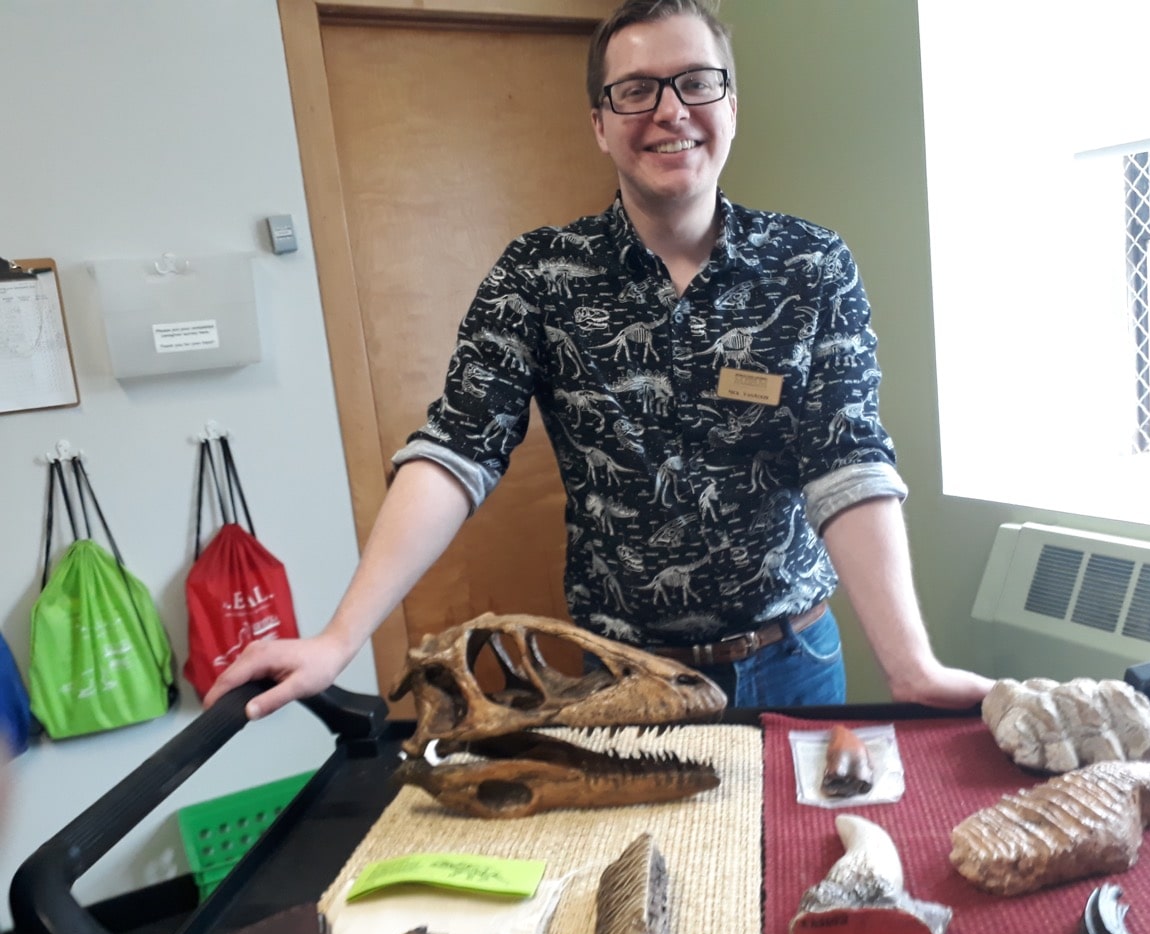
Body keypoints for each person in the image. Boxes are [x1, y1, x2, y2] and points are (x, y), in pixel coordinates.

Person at [205, 0, 993, 719]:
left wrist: (910, 664)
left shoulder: (812, 266)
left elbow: (846, 460)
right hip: (624, 677)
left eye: (696, 83)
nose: (670, 111)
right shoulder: (538, 276)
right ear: (599, 123)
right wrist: (340, 638)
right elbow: (454, 450)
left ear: (731, 106)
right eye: (636, 90)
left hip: (793, 659)